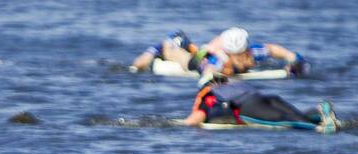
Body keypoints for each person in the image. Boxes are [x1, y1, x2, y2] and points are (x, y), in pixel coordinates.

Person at [130, 25, 309, 78]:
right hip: (181, 54)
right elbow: (209, 73)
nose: (246, 56)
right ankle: (175, 39)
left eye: (245, 53)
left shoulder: (250, 53)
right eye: (240, 55)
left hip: (202, 51)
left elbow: (272, 49)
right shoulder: (219, 60)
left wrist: (293, 58)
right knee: (140, 63)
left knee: (194, 50)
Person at [181, 77, 341, 132]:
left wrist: (182, 124)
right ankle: (320, 114)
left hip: (249, 106)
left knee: (285, 120)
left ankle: (320, 128)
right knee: (297, 114)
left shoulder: (208, 93)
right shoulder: (235, 83)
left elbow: (200, 115)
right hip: (267, 97)